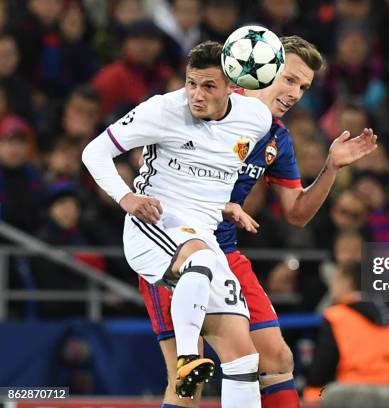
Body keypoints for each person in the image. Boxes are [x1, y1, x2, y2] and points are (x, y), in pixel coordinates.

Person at [138, 35, 378, 408]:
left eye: (304, 86)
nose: (296, 92)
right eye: (290, 79)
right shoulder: (205, 109)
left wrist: (330, 167)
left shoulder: (276, 138)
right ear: (261, 68)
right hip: (172, 248)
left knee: (277, 360)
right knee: (187, 381)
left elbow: (297, 213)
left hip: (226, 253)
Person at [82, 41, 271, 407]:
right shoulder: (162, 110)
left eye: (209, 87)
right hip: (154, 221)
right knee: (197, 260)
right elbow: (94, 151)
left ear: (232, 86)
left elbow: (218, 168)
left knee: (243, 357)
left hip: (205, 232)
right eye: (191, 84)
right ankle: (188, 358)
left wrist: (224, 205)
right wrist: (126, 198)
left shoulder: (256, 119)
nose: (196, 95)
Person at [304, 262, 389, 401]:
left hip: (354, 394)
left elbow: (322, 368)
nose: (331, 286)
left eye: (335, 280)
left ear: (347, 282)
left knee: (313, 393)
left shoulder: (337, 316)